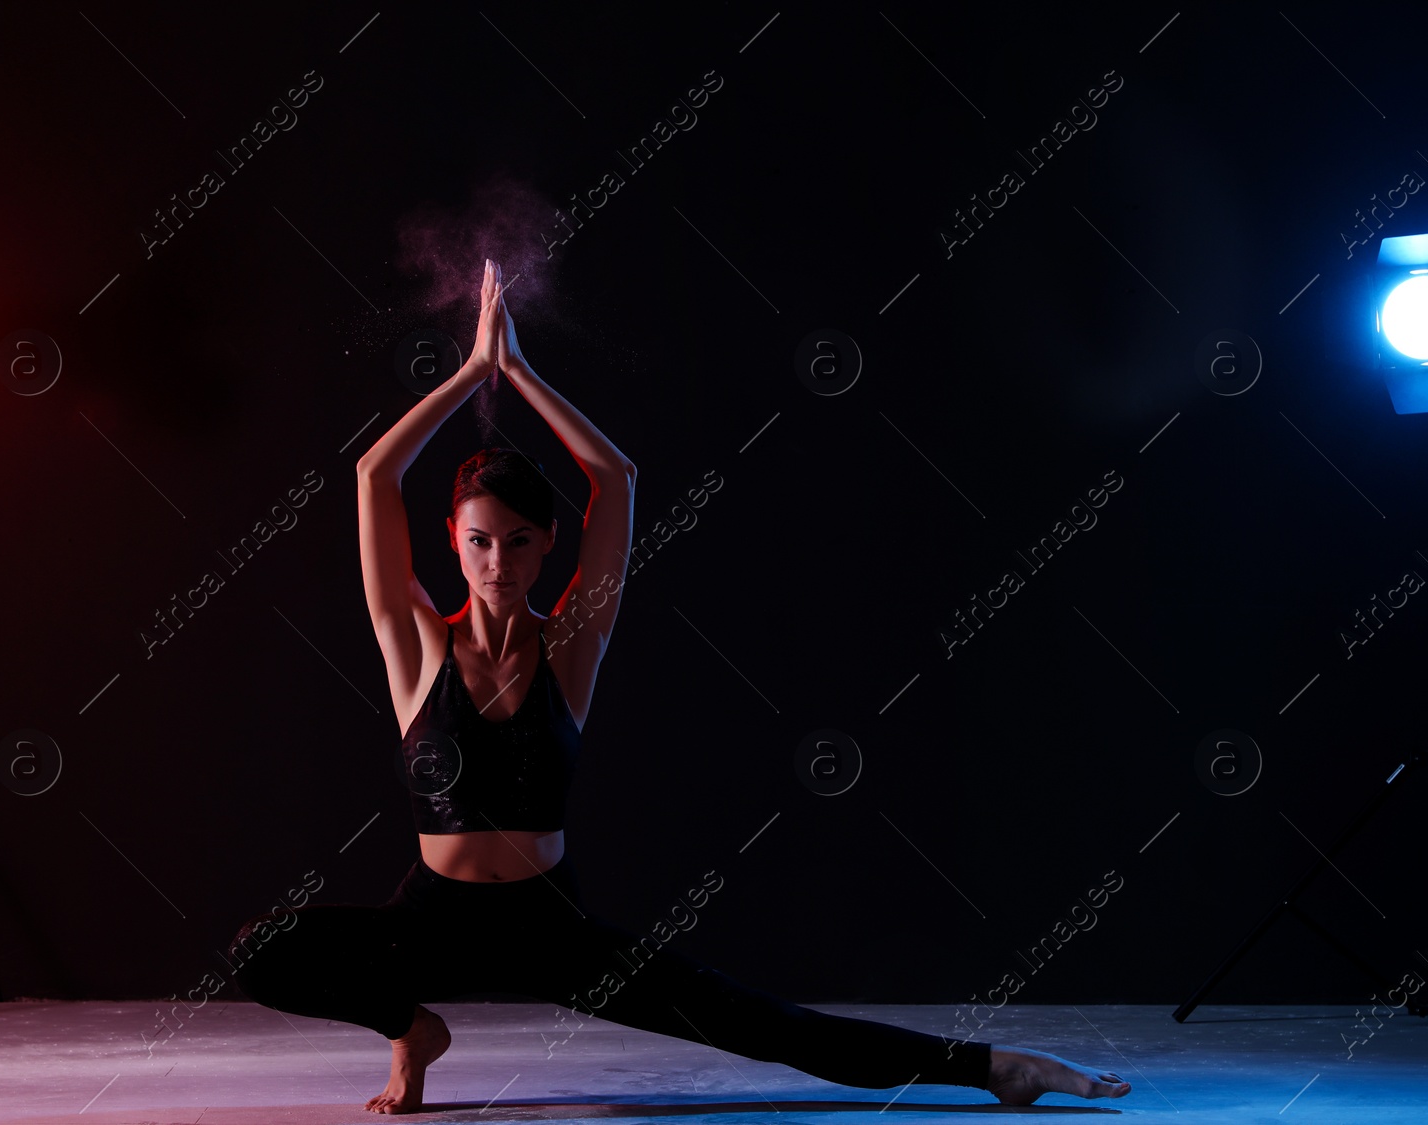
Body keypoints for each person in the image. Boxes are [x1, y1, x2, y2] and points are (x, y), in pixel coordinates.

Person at [228, 258, 1132, 1114]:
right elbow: (373, 474)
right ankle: (411, 1027)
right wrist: (473, 371)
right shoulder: (415, 642)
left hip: (552, 924)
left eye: (516, 539)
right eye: (477, 539)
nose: (496, 560)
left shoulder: (571, 645)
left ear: (547, 545)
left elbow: (615, 478)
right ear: (453, 543)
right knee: (259, 952)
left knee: (758, 1023)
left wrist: (523, 372)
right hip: (430, 918)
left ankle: (997, 1068)